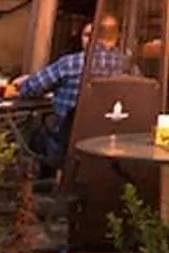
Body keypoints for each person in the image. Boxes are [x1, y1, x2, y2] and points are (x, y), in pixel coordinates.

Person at [11, 13, 135, 159]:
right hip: (110, 145)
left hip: (67, 146)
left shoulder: (70, 63)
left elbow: (30, 89)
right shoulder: (130, 67)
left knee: (31, 133)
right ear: (117, 37)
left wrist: (25, 82)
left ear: (94, 34)